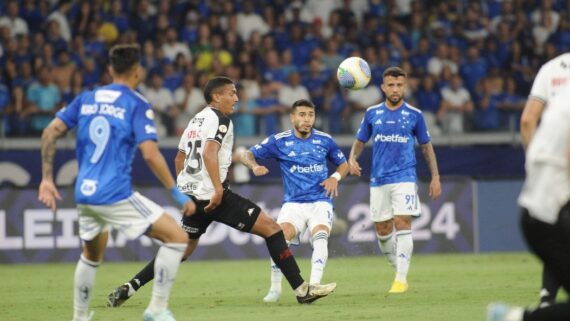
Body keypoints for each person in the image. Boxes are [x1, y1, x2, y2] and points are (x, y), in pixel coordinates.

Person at [106, 77, 337, 308]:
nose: (236, 98)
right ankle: (301, 290)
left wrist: (184, 191)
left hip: (194, 198)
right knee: (273, 230)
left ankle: (132, 285)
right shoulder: (221, 120)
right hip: (215, 196)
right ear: (217, 97)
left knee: (181, 249)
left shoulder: (195, 120)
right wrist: (217, 189)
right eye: (232, 93)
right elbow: (209, 154)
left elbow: (179, 158)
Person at [37, 44, 195, 321]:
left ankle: (80, 317)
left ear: (110, 70)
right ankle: (157, 308)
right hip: (114, 194)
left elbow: (50, 132)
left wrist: (47, 179)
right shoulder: (136, 104)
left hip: (84, 195)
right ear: (138, 71)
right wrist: (174, 191)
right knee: (177, 238)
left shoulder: (85, 99)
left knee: (91, 254)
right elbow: (149, 153)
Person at [240, 99, 349, 303]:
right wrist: (254, 166)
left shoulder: (325, 140)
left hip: (320, 201)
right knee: (280, 240)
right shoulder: (279, 141)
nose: (307, 119)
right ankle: (275, 289)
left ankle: (314, 285)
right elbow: (246, 154)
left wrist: (335, 178)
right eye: (302, 114)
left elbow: (344, 165)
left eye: (310, 115)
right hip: (293, 204)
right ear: (292, 118)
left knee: (320, 235)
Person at [348, 66, 441, 294]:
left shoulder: (415, 115)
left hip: (405, 177)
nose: (395, 89)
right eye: (391, 85)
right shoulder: (372, 113)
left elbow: (427, 148)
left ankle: (400, 279)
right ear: (383, 87)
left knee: (402, 222)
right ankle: (398, 268)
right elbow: (360, 141)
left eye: (399, 85)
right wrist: (351, 158)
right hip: (378, 179)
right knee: (382, 229)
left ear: (405, 86)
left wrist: (435, 177)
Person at [486, 89, 570, 321]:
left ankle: (514, 317)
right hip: (555, 210)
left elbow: (527, 121)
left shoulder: (561, 90)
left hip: (539, 207)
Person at [519, 52, 570, 308]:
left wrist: (535, 163)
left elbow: (528, 120)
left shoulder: (551, 69)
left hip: (536, 199)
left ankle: (543, 301)